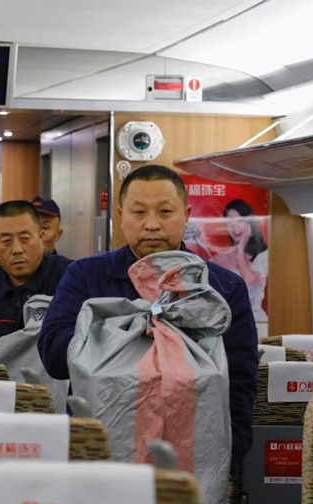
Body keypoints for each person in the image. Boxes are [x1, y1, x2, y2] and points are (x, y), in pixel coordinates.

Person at [38, 164, 259, 464]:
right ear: (121, 215)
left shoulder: (223, 288)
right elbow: (53, 356)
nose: (152, 224)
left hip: (191, 448)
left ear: (187, 215)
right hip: (98, 447)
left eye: (165, 212)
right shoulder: (86, 276)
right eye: (139, 213)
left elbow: (239, 381)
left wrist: (228, 452)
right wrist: (132, 328)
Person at [0, 200, 72, 354]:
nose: (17, 249)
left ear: (40, 237)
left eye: (25, 238)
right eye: (6, 241)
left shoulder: (69, 279)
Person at [210, 199, 269, 325]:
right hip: (225, 322)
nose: (235, 227)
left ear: (250, 223)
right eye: (230, 222)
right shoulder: (217, 259)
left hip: (257, 321)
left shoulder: (263, 256)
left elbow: (248, 284)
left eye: (240, 221)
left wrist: (240, 250)